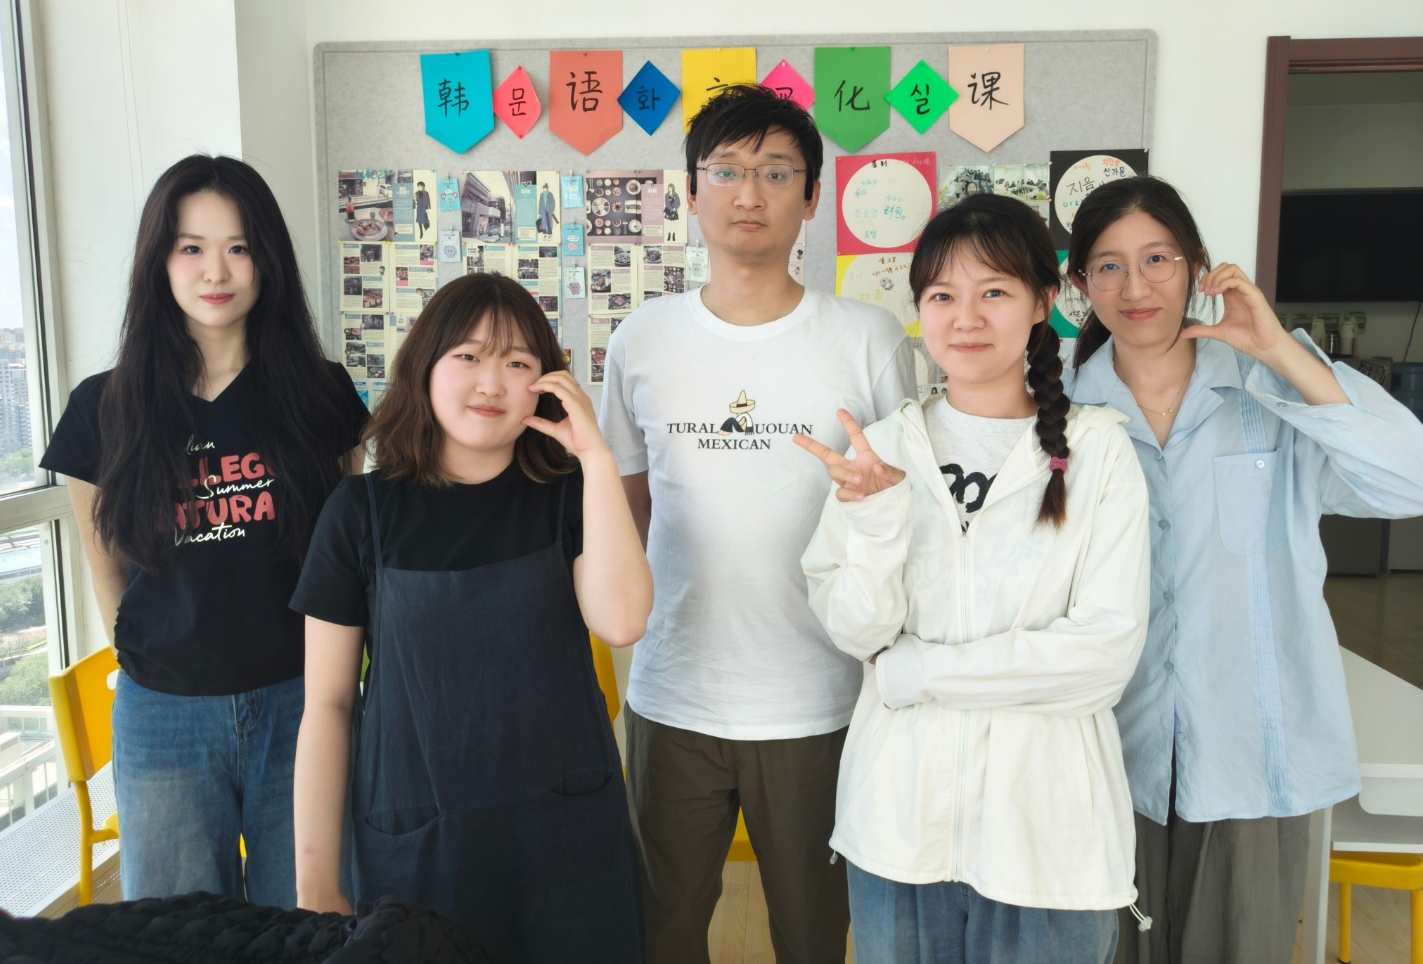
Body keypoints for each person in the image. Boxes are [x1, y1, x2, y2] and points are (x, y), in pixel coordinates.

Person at [1063, 175, 1423, 964]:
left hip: (1252, 754)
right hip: (1105, 756)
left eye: (1157, 258)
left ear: (1197, 265)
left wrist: (1279, 349)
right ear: (1080, 283)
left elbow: (1410, 482)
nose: (1135, 287)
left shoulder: (1272, 395)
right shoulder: (1059, 416)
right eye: (1109, 266)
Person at [599, 83, 916, 964]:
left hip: (821, 696)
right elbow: (628, 507)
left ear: (811, 198)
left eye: (777, 172)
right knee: (662, 932)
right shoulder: (642, 339)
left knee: (814, 935)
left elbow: (902, 507)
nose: (750, 193)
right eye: (727, 171)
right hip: (675, 694)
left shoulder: (867, 337)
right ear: (690, 191)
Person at [797, 194, 1150, 964]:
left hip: (1045, 837)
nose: (965, 318)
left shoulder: (1097, 451)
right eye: (941, 296)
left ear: (1043, 302)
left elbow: (1102, 658)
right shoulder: (879, 451)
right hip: (898, 828)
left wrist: (918, 671)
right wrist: (879, 521)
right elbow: (857, 633)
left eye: (993, 292)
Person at [292, 272, 650, 963]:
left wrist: (597, 458)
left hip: (566, 835)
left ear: (545, 385)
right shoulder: (360, 512)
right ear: (424, 367)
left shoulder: (567, 495)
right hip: (418, 839)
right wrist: (316, 882)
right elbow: (329, 704)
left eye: (517, 362)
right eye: (468, 356)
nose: (491, 383)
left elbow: (623, 620)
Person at [40, 155, 369, 906]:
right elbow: (104, 566)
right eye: (191, 247)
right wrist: (147, 660)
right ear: (159, 260)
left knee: (311, 922)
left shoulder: (321, 395)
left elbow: (343, 555)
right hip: (165, 712)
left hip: (304, 700)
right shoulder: (103, 408)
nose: (215, 271)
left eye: (238, 247)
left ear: (267, 260)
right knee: (176, 930)